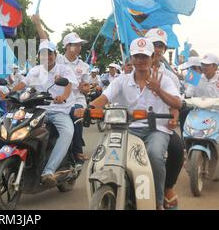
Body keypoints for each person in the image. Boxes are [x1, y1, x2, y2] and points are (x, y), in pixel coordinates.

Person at [75, 37, 182, 210]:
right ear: (131, 57)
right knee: (106, 156)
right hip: (126, 128)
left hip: (157, 129)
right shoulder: (121, 80)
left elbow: (177, 103)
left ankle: (158, 202)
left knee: (154, 155)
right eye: (137, 56)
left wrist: (158, 90)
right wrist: (87, 109)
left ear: (152, 57)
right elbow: (104, 97)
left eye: (144, 56)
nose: (140, 60)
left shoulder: (164, 79)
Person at [10, 40, 78, 185]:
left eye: (50, 53)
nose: (47, 57)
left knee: (67, 132)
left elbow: (68, 86)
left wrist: (63, 97)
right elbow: (24, 84)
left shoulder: (64, 70)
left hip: (59, 111)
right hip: (38, 111)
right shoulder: (35, 71)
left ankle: (49, 171)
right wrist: (10, 93)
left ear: (55, 54)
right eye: (43, 54)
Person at [32, 14, 90, 163]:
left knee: (76, 113)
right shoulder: (56, 59)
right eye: (75, 44)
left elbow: (86, 86)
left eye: (79, 44)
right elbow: (45, 41)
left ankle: (77, 151)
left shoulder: (84, 66)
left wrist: (85, 88)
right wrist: (38, 24)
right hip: (53, 100)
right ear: (66, 46)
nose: (78, 47)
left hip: (75, 99)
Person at [145, 28, 184, 210]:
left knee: (177, 148)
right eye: (154, 45)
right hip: (133, 124)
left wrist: (174, 118)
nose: (158, 49)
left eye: (161, 46)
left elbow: (176, 103)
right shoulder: (131, 69)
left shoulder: (169, 77)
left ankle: (167, 187)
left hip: (160, 125)